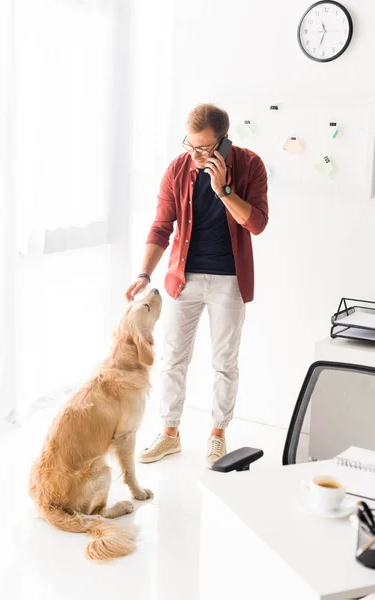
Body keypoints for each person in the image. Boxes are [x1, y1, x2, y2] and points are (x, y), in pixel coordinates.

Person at [125, 103, 268, 468]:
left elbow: (257, 224)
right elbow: (161, 226)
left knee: (224, 362)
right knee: (173, 358)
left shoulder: (251, 165)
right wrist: (144, 273)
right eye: (191, 145)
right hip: (182, 279)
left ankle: (217, 435)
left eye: (204, 148)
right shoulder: (177, 168)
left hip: (230, 280)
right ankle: (170, 434)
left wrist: (221, 190)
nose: (196, 154)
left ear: (223, 141)